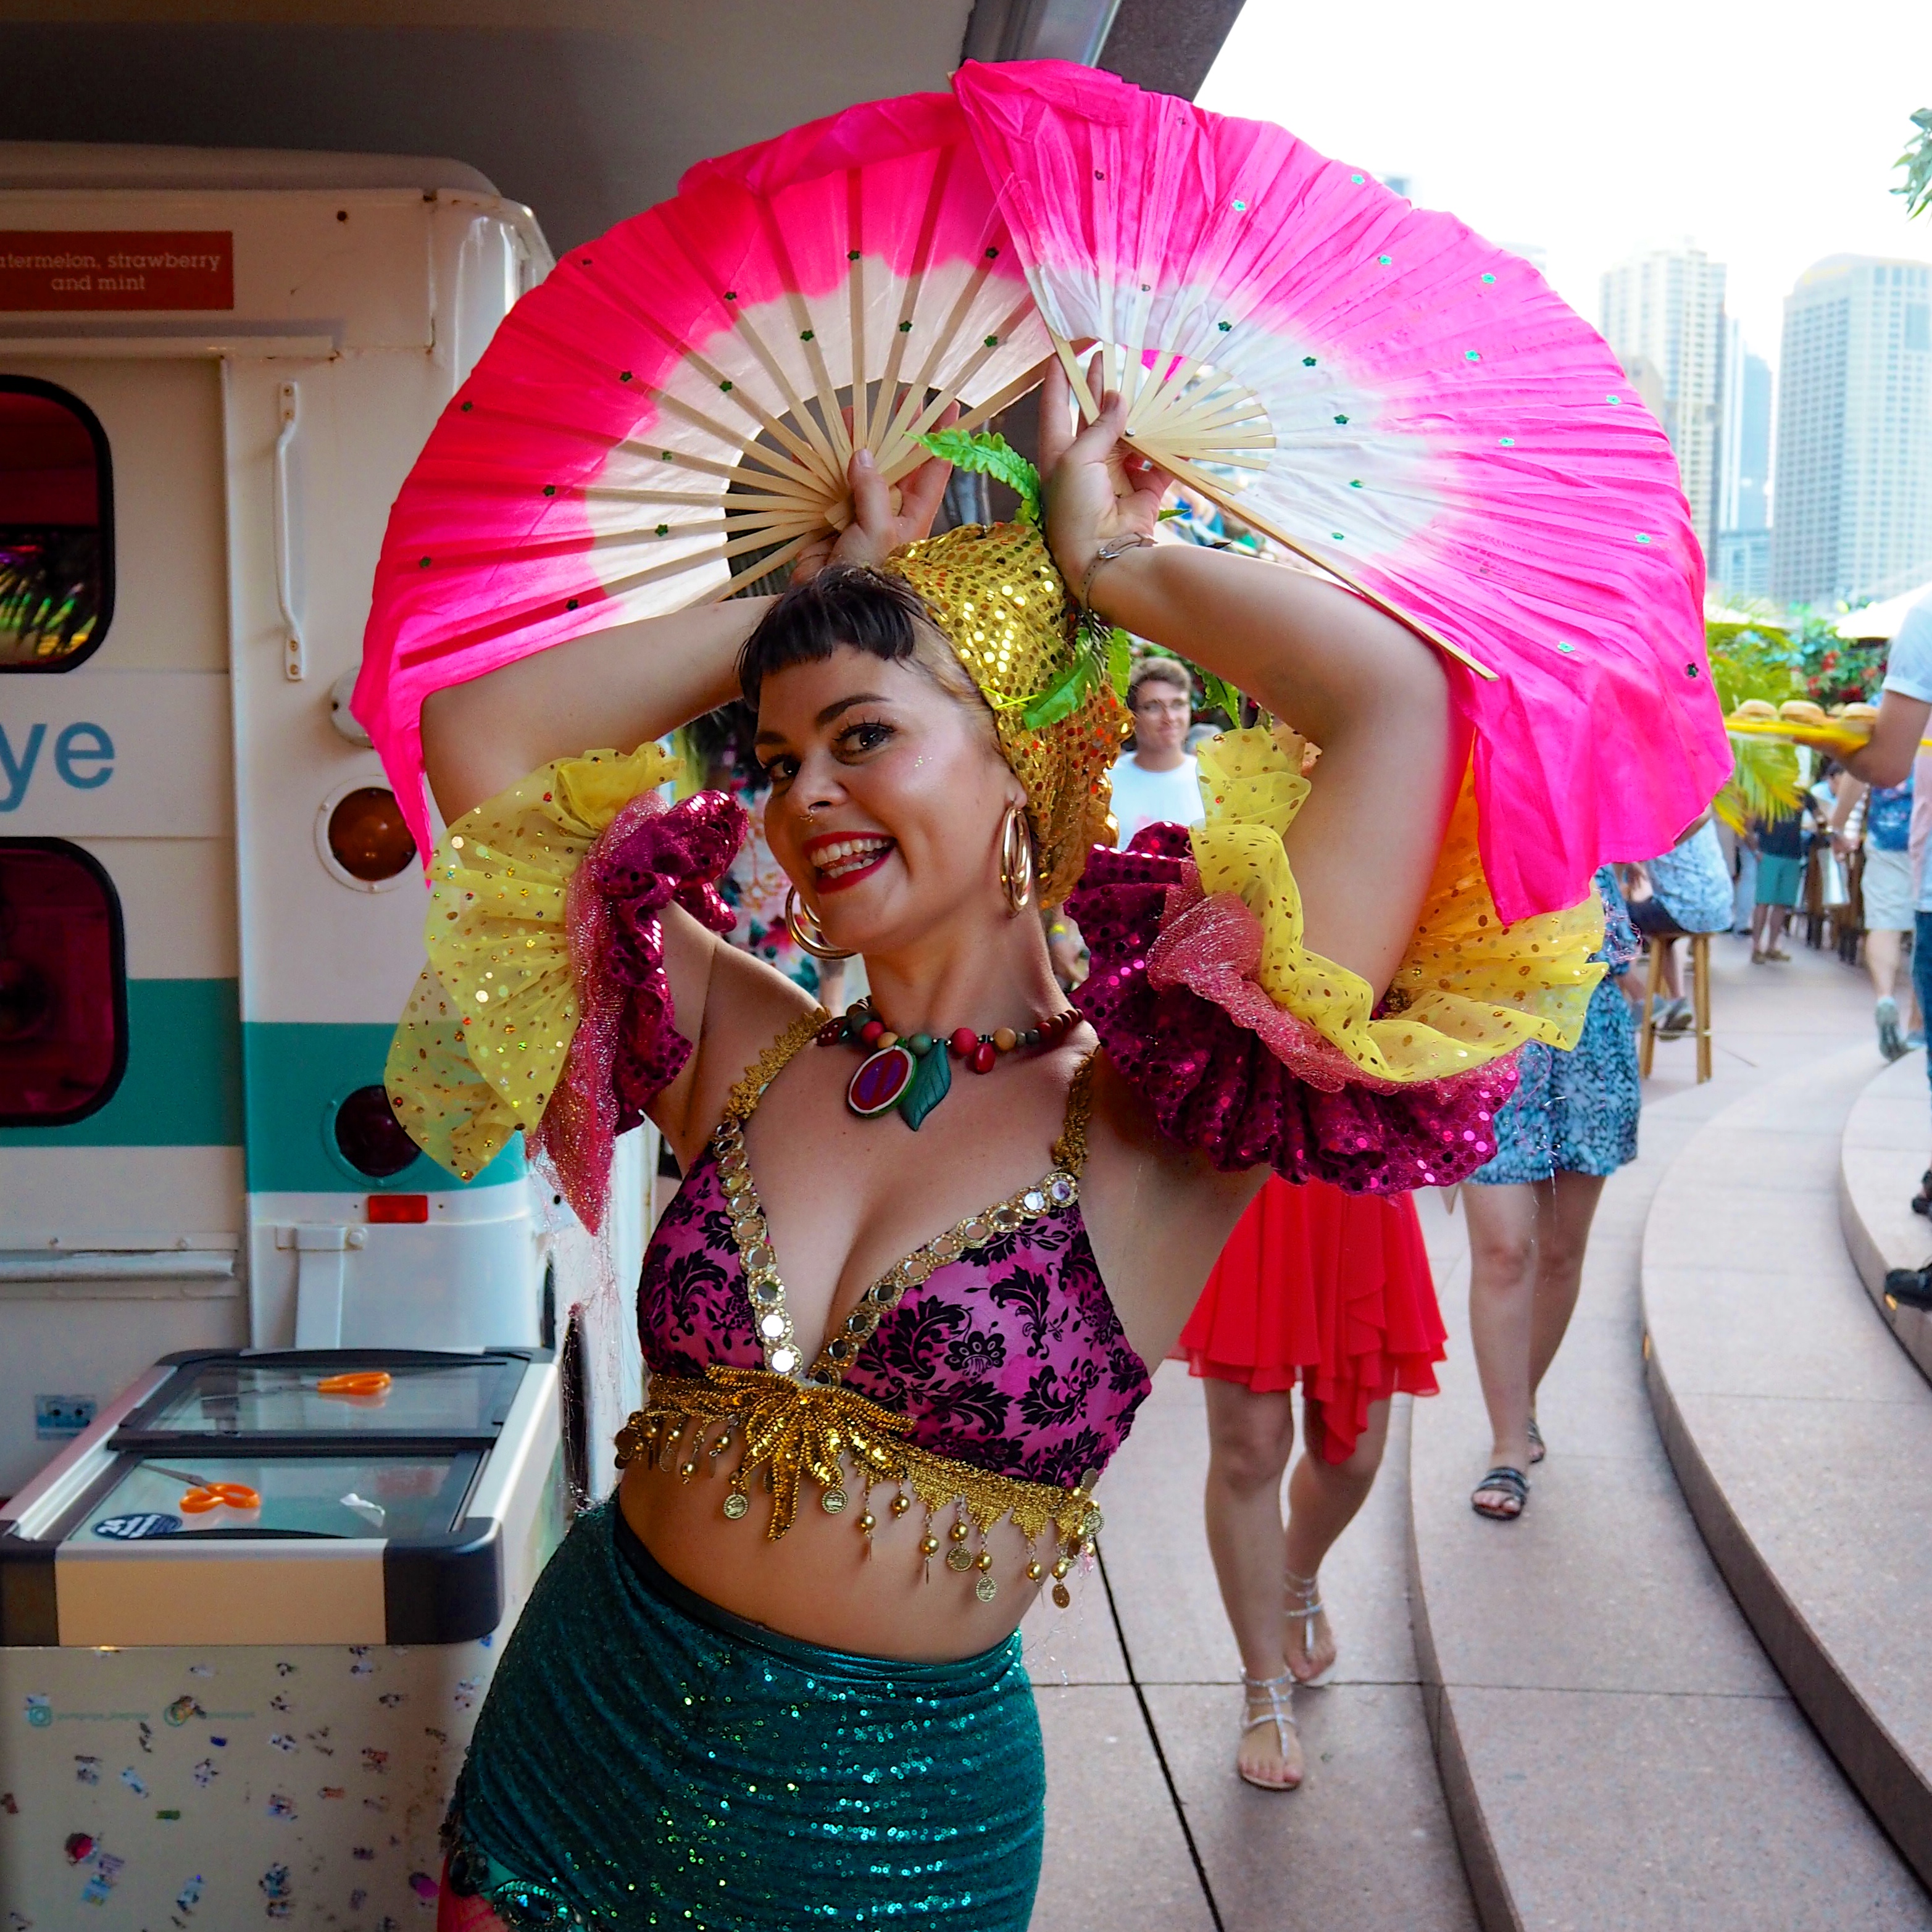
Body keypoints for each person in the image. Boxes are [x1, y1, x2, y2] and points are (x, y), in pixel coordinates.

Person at [383, 365, 1609, 1931]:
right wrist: (813, 594)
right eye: (776, 755)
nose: (803, 795)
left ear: (1016, 761)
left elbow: (1398, 702)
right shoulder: (745, 1044)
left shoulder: (1165, 1112)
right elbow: (480, 731)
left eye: (862, 734)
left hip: (888, 1839)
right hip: (578, 1740)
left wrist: (1113, 565)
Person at [1184, 1176, 1441, 1789]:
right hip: (1244, 1165)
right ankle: (1264, 1685)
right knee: (1248, 1449)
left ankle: (1293, 1578)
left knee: (1352, 1458)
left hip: (1356, 1165)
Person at [1464, 868, 1640, 1520]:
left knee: (1562, 1252)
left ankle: (1523, 1402)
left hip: (1590, 1028)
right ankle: (1508, 1445)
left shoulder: (1598, 802)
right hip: (1491, 1017)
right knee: (1505, 1251)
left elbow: (1671, 824)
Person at [1833, 770, 1916, 1059]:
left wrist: (1837, 826)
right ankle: (1918, 1027)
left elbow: (1859, 772)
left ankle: (1885, 999)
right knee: (1927, 928)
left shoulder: (1886, 736)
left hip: (1890, 832)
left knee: (1884, 924)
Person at [1626, 814, 1731, 1031]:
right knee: (1660, 929)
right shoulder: (1689, 802)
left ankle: (1640, 998)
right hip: (1718, 907)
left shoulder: (1653, 809)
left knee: (1610, 919)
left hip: (1684, 908)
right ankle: (1677, 1000)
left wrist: (1656, 848)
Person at [1109, 656, 1204, 846]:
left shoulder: (1211, 780)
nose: (1169, 717)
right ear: (1132, 716)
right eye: (1153, 707)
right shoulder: (1109, 782)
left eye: (1178, 704)